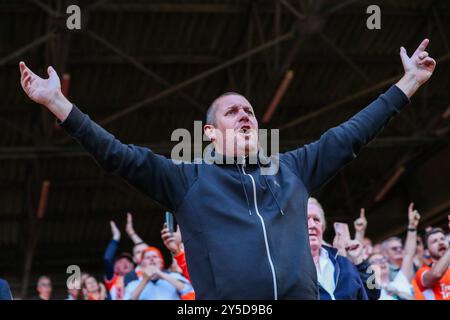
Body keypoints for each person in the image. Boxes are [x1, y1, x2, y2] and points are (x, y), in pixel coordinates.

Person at [19, 39, 436, 299]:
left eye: (250, 111)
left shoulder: (290, 169)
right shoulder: (186, 179)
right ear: (209, 133)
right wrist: (58, 103)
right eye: (233, 111)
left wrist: (410, 83)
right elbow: (116, 154)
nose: (245, 116)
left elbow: (350, 135)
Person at [307, 198, 377, 300]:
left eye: (316, 219)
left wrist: (359, 261)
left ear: (322, 227)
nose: (312, 225)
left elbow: (373, 293)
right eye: (305, 219)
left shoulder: (343, 262)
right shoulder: (286, 267)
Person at [368, 203, 420, 300]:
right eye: (376, 262)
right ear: (368, 269)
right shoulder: (369, 293)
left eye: (383, 260)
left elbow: (408, 255)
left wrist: (412, 227)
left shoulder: (400, 281)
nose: (382, 262)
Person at [124, 247, 193, 300]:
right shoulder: (133, 284)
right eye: (147, 258)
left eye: (155, 256)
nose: (151, 259)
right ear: (142, 264)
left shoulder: (174, 276)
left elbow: (188, 290)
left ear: (161, 262)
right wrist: (144, 281)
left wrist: (161, 274)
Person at [414, 227, 450, 300]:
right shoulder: (422, 272)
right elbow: (436, 274)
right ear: (427, 251)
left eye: (442, 239)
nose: (440, 242)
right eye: (434, 241)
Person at [103, 220, 135, 300]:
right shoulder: (113, 278)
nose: (125, 263)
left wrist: (132, 233)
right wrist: (116, 237)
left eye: (129, 261)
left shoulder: (140, 276)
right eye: (121, 261)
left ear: (133, 266)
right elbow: (107, 259)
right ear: (115, 266)